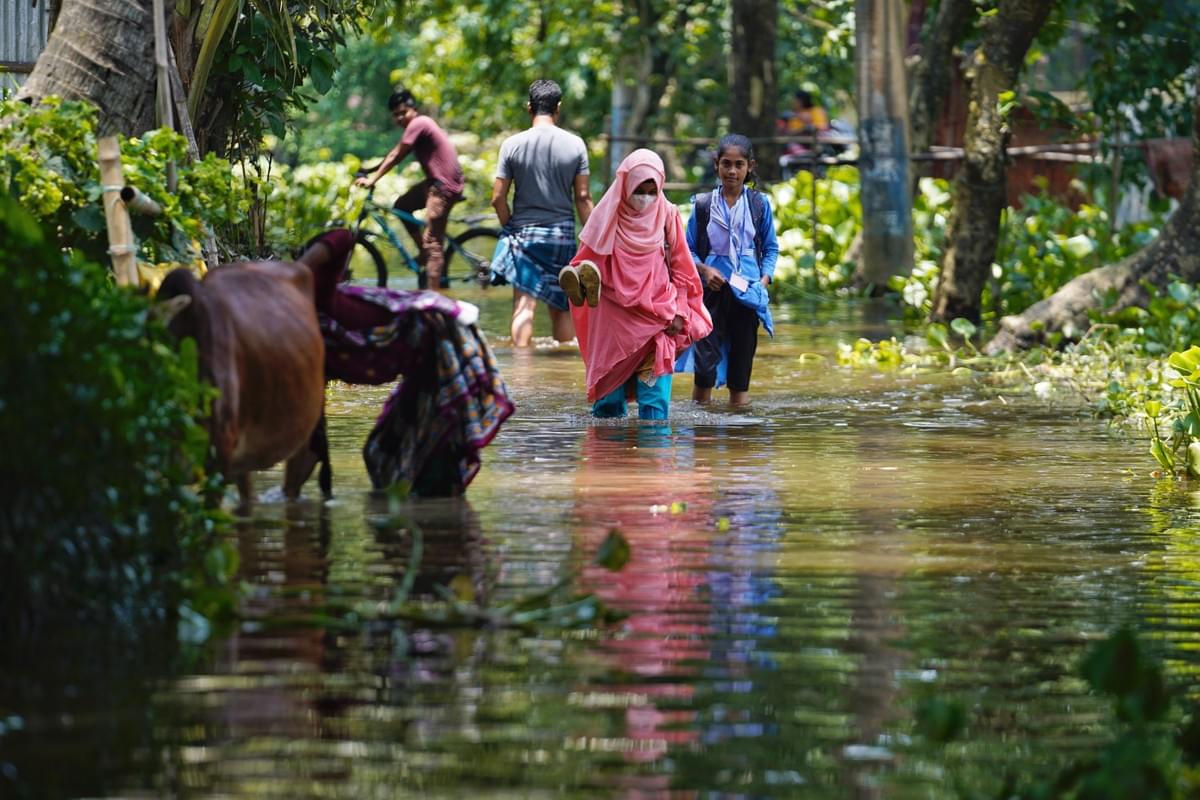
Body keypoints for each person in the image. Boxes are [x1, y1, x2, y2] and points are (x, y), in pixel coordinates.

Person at [294, 229, 514, 496]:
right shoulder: (305, 344)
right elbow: (310, 439)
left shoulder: (315, 308)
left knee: (435, 450)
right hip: (421, 348)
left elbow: (341, 239)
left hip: (438, 335)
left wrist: (300, 267)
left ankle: (442, 517)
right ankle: (437, 515)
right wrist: (287, 497)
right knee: (383, 454)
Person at [559, 149, 712, 420]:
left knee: (654, 405)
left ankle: (653, 460)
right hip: (612, 318)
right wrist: (580, 277)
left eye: (652, 190)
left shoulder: (667, 214)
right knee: (608, 406)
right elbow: (586, 257)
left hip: (656, 316)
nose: (645, 197)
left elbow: (682, 268)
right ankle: (609, 460)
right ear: (626, 185)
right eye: (639, 189)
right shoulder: (607, 215)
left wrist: (679, 309)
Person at [676, 134, 779, 408]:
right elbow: (686, 249)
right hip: (711, 293)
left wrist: (764, 280)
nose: (732, 171)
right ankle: (702, 436)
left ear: (749, 166)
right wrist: (704, 270)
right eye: (726, 164)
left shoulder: (759, 205)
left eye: (739, 165)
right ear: (716, 165)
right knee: (704, 368)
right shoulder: (703, 205)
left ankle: (739, 439)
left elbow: (770, 248)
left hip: (747, 294)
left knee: (741, 367)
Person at [490, 79, 594, 346]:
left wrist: (509, 226)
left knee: (524, 306)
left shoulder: (511, 145)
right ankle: (560, 375)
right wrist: (594, 241)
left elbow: (497, 198)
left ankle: (522, 375)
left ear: (529, 108)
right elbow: (583, 198)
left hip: (524, 235)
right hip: (561, 236)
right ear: (558, 108)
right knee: (562, 307)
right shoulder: (576, 145)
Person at [355, 88, 466, 291]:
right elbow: (396, 153)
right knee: (402, 205)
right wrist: (369, 170)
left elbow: (397, 155)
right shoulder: (416, 126)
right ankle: (424, 253)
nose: (399, 117)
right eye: (395, 114)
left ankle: (432, 300)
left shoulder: (419, 123)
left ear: (414, 109)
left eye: (402, 112)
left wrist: (372, 180)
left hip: (443, 187)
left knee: (433, 243)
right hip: (435, 184)